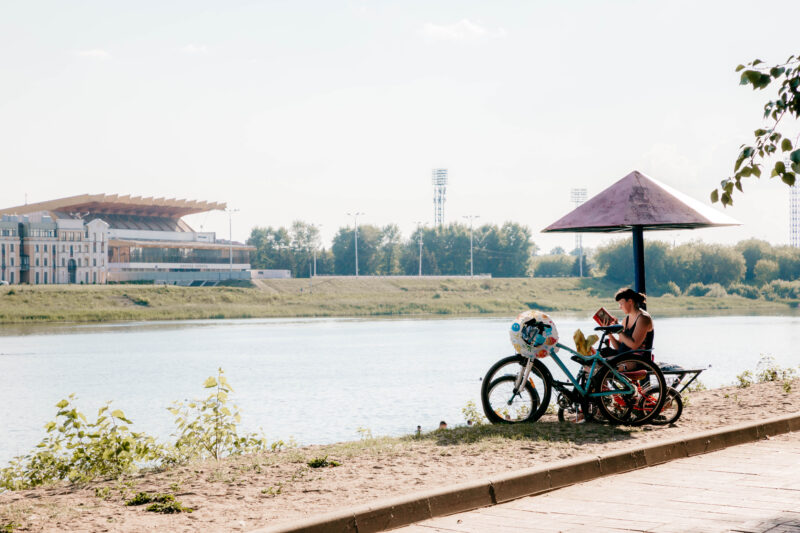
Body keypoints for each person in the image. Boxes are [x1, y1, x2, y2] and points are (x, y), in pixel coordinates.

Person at [607, 288, 654, 358]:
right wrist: (609, 333)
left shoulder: (643, 318)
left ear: (630, 301)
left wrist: (619, 331)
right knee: (593, 362)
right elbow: (619, 347)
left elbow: (634, 345)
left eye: (621, 304)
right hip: (624, 358)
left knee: (601, 366)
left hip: (638, 360)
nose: (620, 307)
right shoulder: (625, 320)